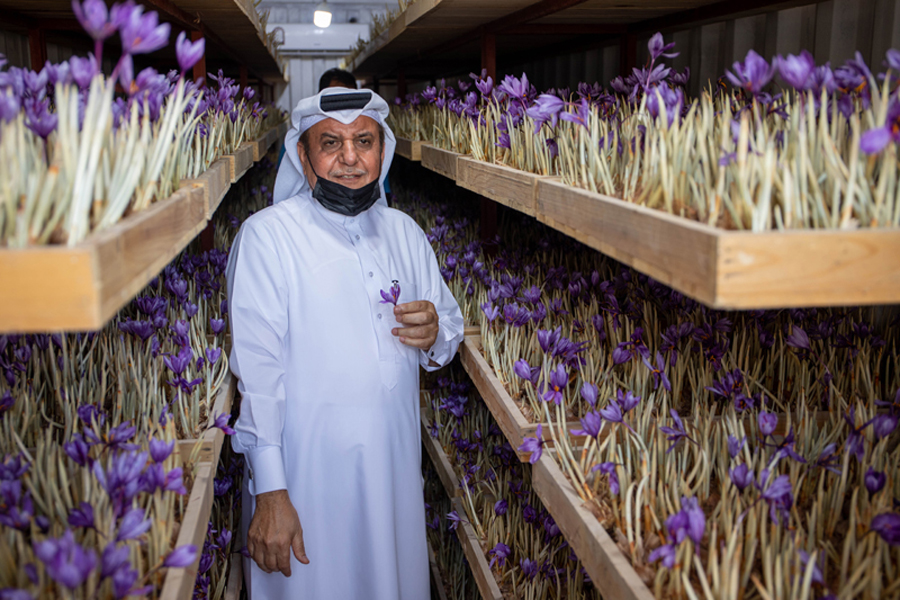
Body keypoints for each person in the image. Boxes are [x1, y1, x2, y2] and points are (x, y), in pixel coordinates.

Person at [226, 87, 464, 599]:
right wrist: (271, 491)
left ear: (382, 150)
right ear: (304, 156)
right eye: (331, 142)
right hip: (306, 483)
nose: (351, 158)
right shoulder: (268, 238)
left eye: (364, 141)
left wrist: (435, 332)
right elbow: (258, 376)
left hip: (391, 475)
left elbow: (448, 324)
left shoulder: (405, 232)